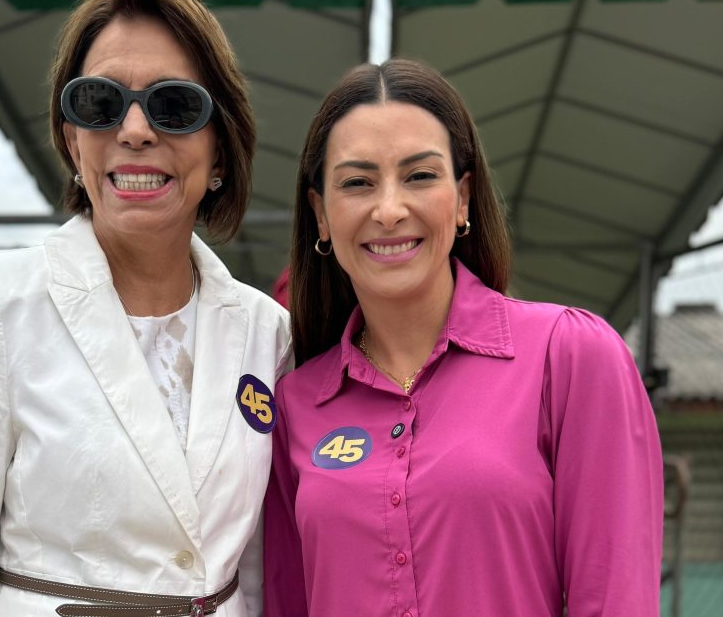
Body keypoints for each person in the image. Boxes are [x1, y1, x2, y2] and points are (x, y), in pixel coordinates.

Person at [0, 0, 291, 617]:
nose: (134, 130)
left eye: (175, 105)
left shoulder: (265, 331)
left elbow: (259, 568)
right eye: (100, 103)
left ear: (220, 152)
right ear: (72, 139)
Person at [263, 59, 663, 616]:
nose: (389, 209)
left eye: (420, 176)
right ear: (321, 215)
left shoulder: (570, 357)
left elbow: (615, 598)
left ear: (464, 197)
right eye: (357, 183)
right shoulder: (296, 405)